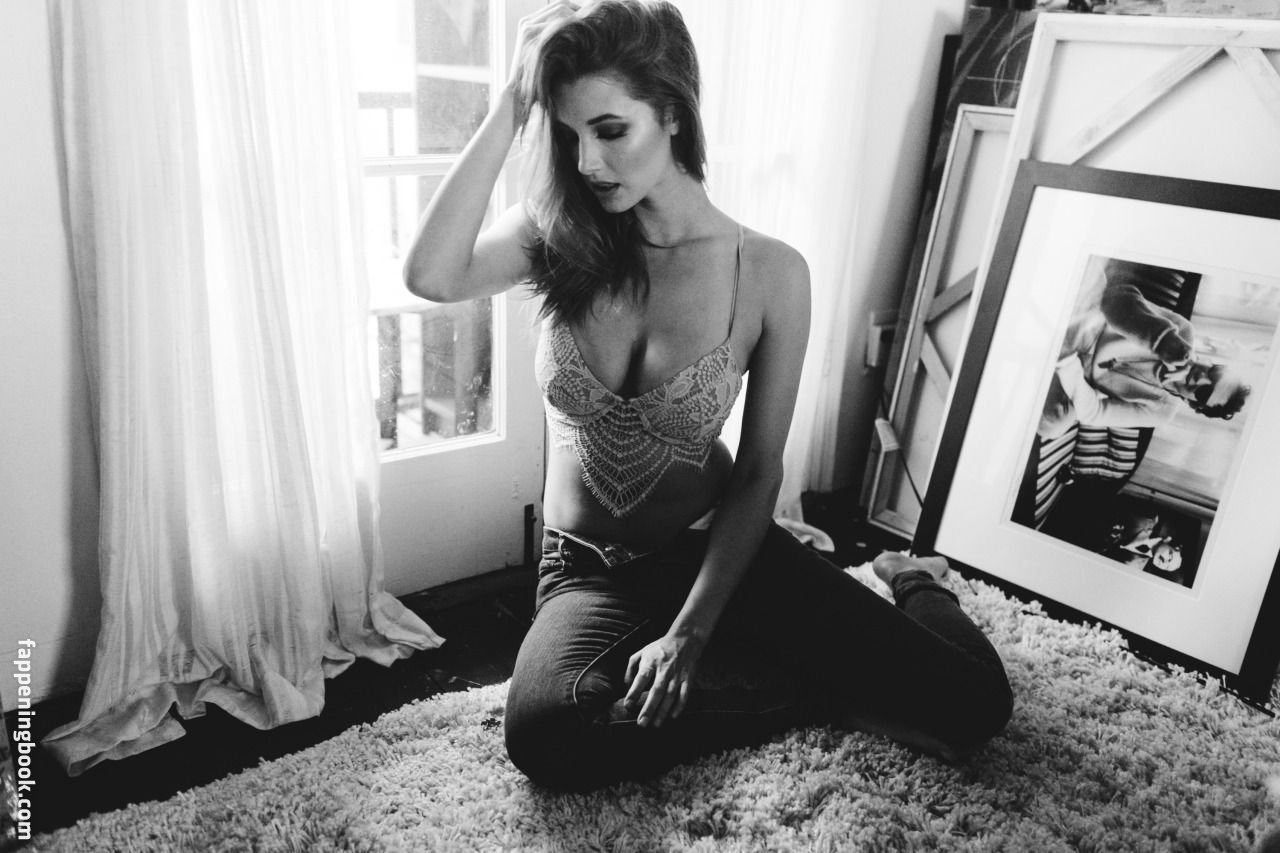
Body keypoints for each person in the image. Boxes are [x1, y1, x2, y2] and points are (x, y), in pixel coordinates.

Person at [403, 0, 1012, 791]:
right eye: (569, 133)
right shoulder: (558, 232)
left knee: (975, 705)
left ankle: (911, 577)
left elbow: (759, 470)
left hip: (716, 549)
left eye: (610, 130)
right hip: (587, 570)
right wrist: (512, 106)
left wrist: (690, 633)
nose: (587, 161)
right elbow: (432, 274)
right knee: (547, 731)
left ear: (672, 113)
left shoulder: (771, 272)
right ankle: (817, 690)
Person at [1039, 259, 1251, 439]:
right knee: (1092, 275)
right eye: (1214, 373)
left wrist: (1068, 365)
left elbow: (1094, 413)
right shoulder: (1183, 332)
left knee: (1055, 424)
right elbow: (1116, 298)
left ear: (1194, 405)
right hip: (1089, 323)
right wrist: (1167, 344)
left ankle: (1048, 352)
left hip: (1072, 373)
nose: (1201, 378)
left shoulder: (1161, 412)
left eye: (1204, 392)